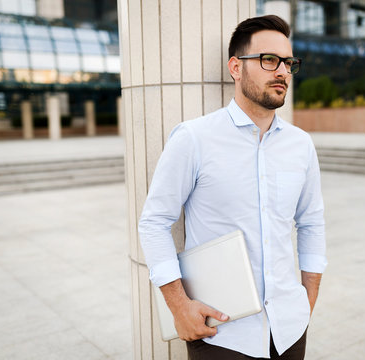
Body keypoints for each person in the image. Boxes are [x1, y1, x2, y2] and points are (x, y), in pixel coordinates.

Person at [138, 15, 327, 360]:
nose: (282, 71)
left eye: (288, 63)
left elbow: (312, 222)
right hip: (222, 334)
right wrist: (179, 308)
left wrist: (307, 299)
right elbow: (153, 222)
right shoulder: (194, 138)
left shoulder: (301, 145)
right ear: (236, 68)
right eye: (269, 60)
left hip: (289, 330)